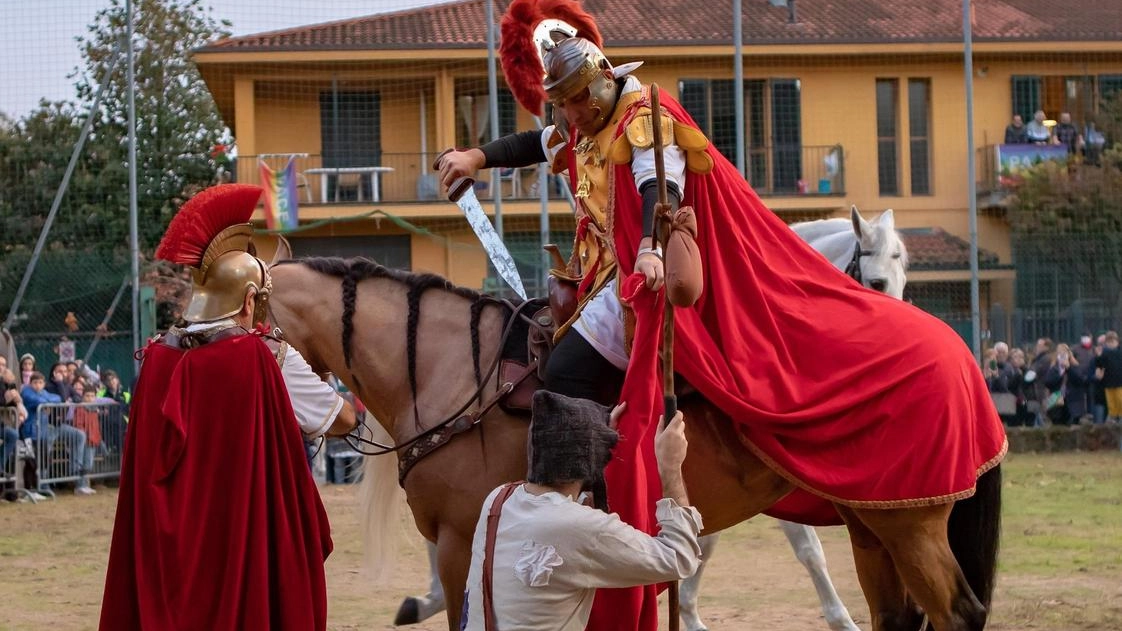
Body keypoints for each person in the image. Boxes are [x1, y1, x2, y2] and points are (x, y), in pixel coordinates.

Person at [441, 2, 1005, 627]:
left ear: (603, 80)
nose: (570, 115)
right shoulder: (584, 119)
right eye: (563, 104)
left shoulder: (642, 116)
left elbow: (664, 185)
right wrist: (477, 158)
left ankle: (583, 516)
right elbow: (537, 142)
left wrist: (652, 251)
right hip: (608, 274)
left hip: (658, 275)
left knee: (569, 369)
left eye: (576, 100)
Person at [100, 184, 358, 631]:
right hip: (237, 550)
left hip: (166, 563)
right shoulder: (265, 356)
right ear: (248, 299)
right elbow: (343, 420)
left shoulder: (156, 356)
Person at [462, 391, 701, 630]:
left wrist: (595, 448)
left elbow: (565, 513)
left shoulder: (499, 498)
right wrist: (671, 468)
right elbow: (680, 558)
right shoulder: (579, 526)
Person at [1095, 331, 1122, 422]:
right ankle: (1114, 417)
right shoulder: (1104, 354)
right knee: (1111, 402)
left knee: (1119, 401)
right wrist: (1098, 357)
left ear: (1117, 341)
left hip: (1119, 383)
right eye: (1109, 342)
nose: (1111, 344)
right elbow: (1100, 365)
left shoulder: (1119, 352)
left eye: (1113, 342)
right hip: (1109, 383)